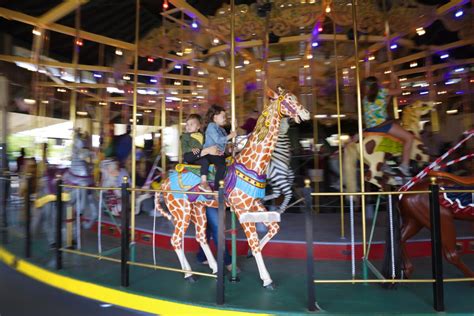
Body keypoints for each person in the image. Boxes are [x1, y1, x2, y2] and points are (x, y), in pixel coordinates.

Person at [363, 76, 414, 176]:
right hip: (382, 125)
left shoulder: (366, 98)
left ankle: (384, 163)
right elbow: (399, 91)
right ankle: (405, 165)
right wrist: (396, 80)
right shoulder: (381, 91)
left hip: (371, 127)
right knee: (409, 137)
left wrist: (390, 92)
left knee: (393, 139)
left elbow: (383, 106)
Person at [180, 114, 221, 192]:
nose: (188, 126)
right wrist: (191, 149)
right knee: (204, 157)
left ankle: (208, 181)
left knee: (207, 160)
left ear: (198, 127)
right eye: (187, 124)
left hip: (201, 156)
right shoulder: (185, 136)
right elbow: (184, 148)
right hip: (190, 156)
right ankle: (204, 182)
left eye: (191, 124)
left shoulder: (203, 136)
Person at [203, 105, 237, 190]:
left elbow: (225, 141)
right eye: (223, 117)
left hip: (219, 153)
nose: (225, 118)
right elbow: (218, 140)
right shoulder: (211, 126)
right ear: (215, 118)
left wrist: (230, 146)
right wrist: (231, 135)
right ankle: (217, 190)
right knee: (222, 166)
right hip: (211, 153)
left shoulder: (222, 129)